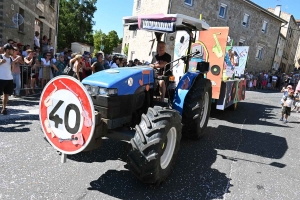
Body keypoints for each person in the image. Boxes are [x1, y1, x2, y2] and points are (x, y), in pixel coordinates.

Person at [0, 44, 15, 115]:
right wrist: (0, 62)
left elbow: (12, 70)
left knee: (6, 94)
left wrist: (13, 65)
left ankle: (4, 108)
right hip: (1, 78)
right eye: (12, 50)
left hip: (9, 78)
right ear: (7, 50)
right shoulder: (0, 56)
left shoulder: (11, 59)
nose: (13, 51)